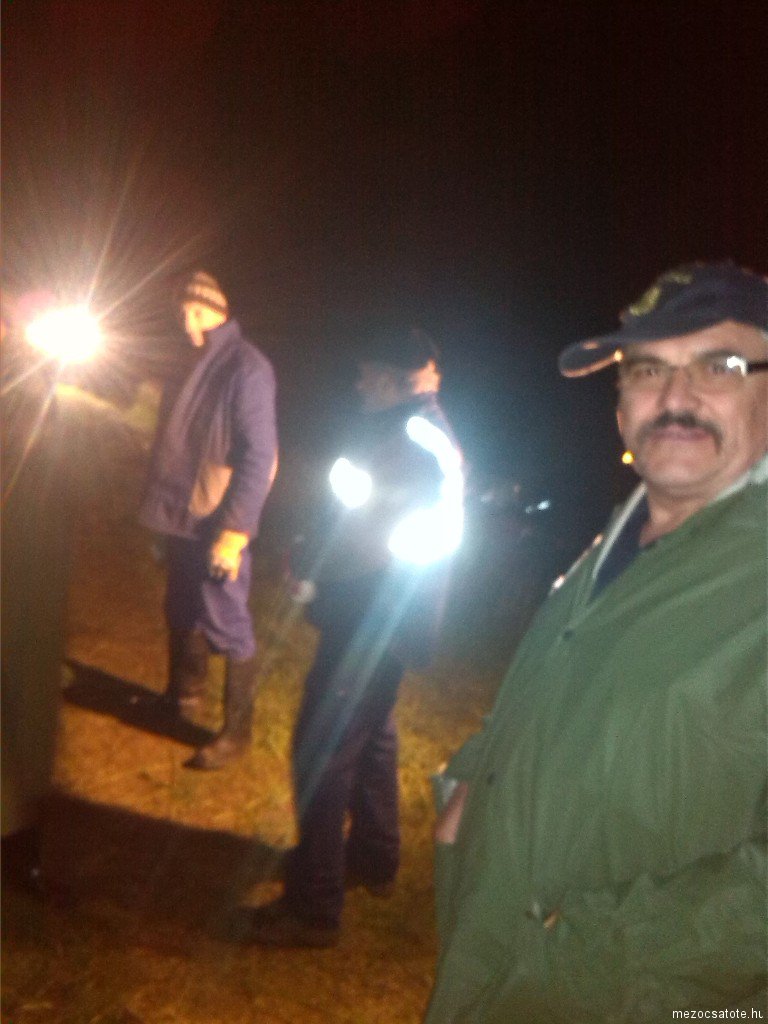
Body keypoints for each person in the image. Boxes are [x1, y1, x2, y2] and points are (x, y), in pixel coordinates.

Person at [425, 261, 768, 1022]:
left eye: (719, 366)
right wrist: (470, 791)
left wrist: (586, 952)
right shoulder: (619, 541)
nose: (675, 398)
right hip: (491, 973)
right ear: (619, 407)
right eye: (646, 369)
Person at [228, 326, 464, 947]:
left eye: (366, 372)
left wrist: (313, 569)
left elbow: (372, 538)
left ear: (391, 378)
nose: (358, 383)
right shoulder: (411, 429)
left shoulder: (413, 440)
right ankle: (373, 858)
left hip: (372, 616)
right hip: (383, 617)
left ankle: (313, 906)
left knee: (322, 746)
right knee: (372, 733)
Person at [139, 270, 278, 770]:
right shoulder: (190, 360)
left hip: (216, 518)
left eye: (194, 312)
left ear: (215, 311)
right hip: (180, 513)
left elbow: (260, 455)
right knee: (180, 609)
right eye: (181, 312)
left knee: (228, 622)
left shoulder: (247, 367)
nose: (186, 322)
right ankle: (180, 700)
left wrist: (235, 532)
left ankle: (237, 734)